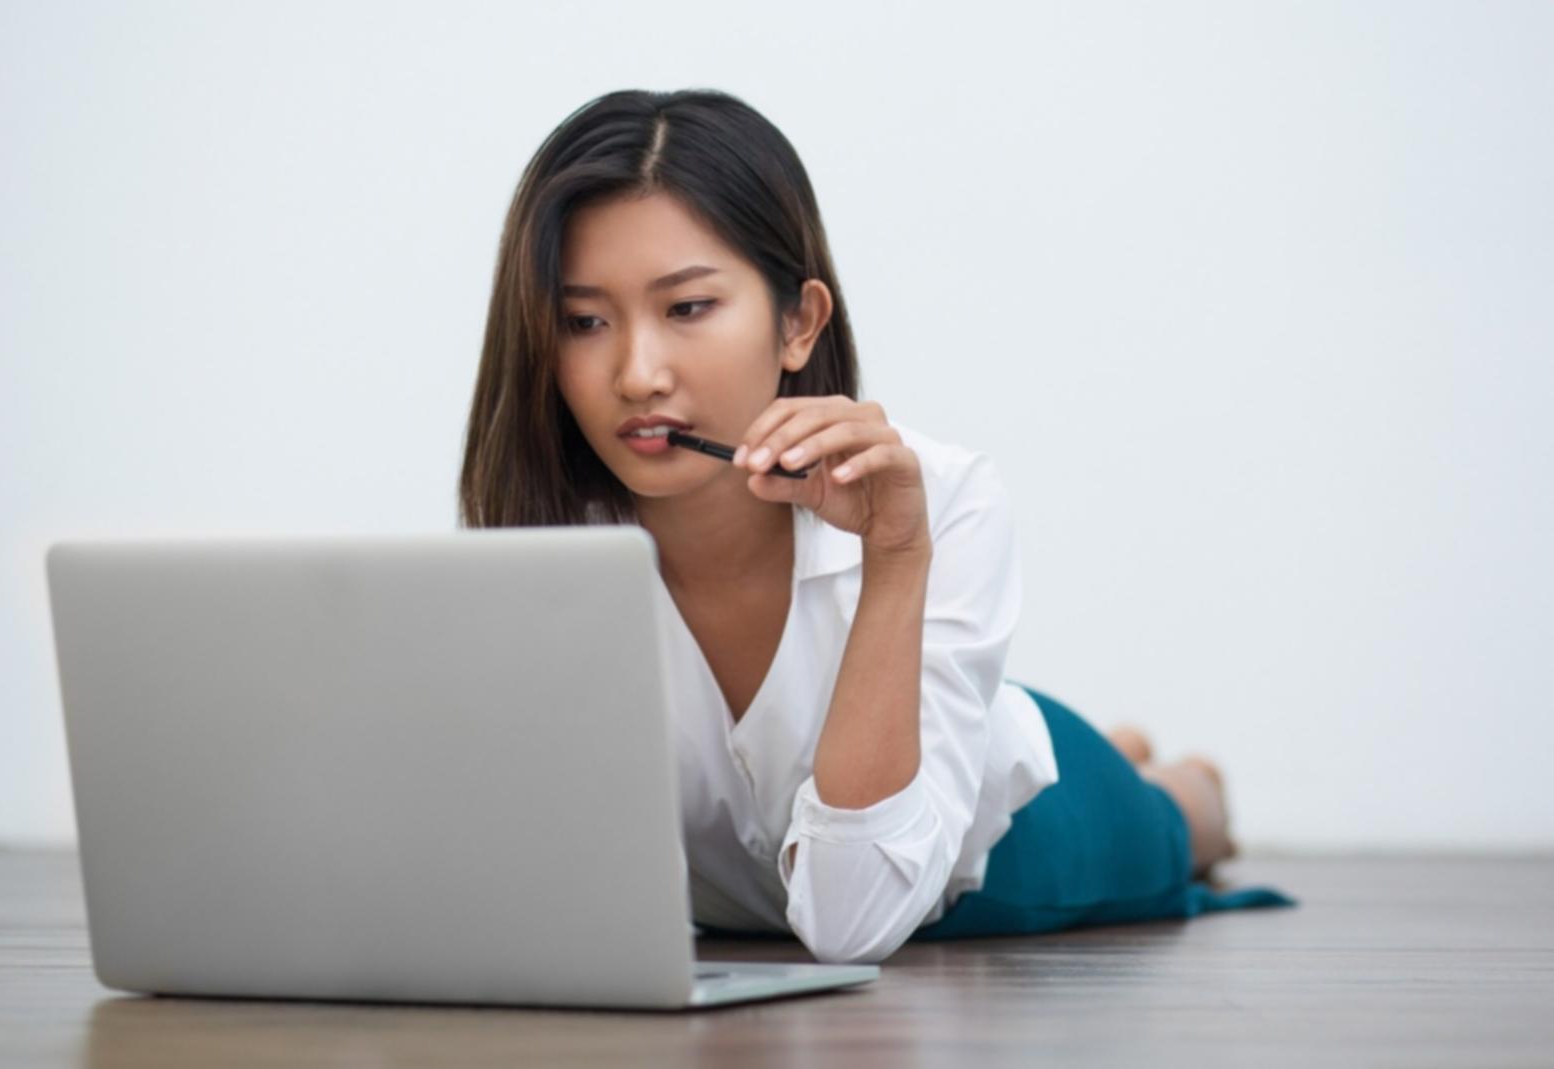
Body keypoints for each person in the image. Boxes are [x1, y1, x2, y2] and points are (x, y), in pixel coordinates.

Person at [457, 88, 1294, 965]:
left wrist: (896, 556)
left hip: (1002, 855)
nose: (637, 374)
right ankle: (1116, 746)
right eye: (584, 321)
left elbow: (852, 923)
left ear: (797, 322)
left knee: (1172, 826)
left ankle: (1177, 780)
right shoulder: (541, 547)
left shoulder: (944, 494)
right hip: (753, 903)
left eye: (688, 307)